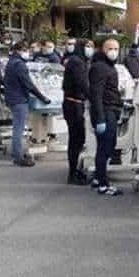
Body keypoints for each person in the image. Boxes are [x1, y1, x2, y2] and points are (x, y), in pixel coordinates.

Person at [4, 41, 51, 167]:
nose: (28, 53)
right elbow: (28, 84)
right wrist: (42, 97)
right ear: (20, 50)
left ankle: (17, 154)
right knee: (18, 129)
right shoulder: (19, 65)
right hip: (19, 99)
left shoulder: (11, 62)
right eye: (26, 50)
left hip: (13, 98)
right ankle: (18, 157)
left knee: (18, 128)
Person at [88, 38, 123, 196]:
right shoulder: (101, 67)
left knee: (106, 146)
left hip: (110, 110)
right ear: (103, 49)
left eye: (116, 48)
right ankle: (103, 184)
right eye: (110, 48)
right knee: (105, 148)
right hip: (105, 112)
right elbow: (96, 94)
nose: (113, 51)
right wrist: (101, 118)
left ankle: (98, 178)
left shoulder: (107, 66)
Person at [62, 39, 94, 185]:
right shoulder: (77, 62)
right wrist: (94, 99)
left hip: (74, 103)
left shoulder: (78, 61)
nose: (90, 49)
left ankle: (75, 170)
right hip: (73, 104)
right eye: (87, 46)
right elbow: (82, 83)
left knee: (78, 139)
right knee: (76, 139)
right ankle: (72, 173)